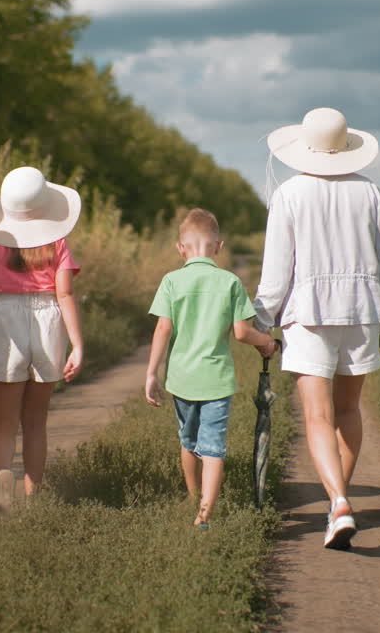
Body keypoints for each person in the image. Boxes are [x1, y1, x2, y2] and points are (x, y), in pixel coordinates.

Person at [253, 107, 380, 550]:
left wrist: (262, 322)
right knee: (349, 410)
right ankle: (340, 502)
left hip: (309, 312)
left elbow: (278, 271)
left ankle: (338, 503)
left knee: (318, 414)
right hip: (361, 309)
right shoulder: (369, 191)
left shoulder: (290, 194)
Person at [144, 209, 279, 530]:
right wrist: (267, 343)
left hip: (181, 378)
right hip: (217, 380)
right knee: (214, 447)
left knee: (188, 441)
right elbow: (242, 332)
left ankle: (193, 497)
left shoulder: (171, 281)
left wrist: (151, 373)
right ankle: (204, 514)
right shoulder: (230, 282)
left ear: (181, 248)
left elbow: (163, 329)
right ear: (218, 247)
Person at [0, 166, 84, 518]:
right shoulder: (57, 243)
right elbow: (64, 294)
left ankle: (3, 493)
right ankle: (35, 499)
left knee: (2, 422)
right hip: (48, 319)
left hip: (2, 317)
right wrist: (78, 344)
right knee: (35, 421)